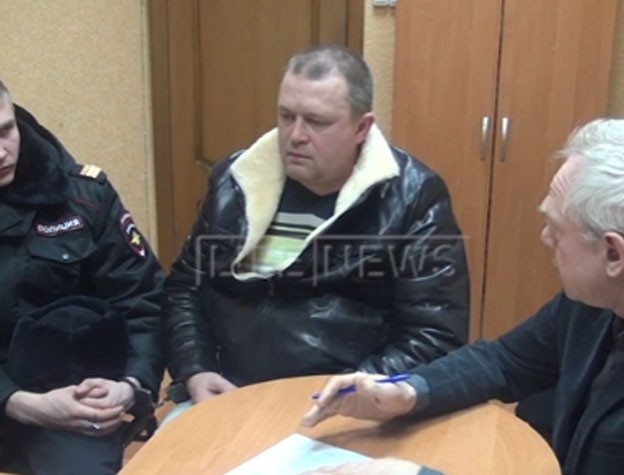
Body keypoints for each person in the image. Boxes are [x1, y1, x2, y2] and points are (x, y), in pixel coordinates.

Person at [301, 118, 624, 475]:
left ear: (613, 254)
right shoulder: (591, 303)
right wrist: (407, 393)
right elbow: (504, 361)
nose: (544, 238)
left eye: (556, 228)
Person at [162, 45, 469, 408]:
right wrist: (196, 369)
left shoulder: (413, 196)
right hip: (226, 392)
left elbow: (435, 334)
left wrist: (350, 395)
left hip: (345, 406)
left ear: (361, 128)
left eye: (317, 121)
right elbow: (186, 286)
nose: (295, 135)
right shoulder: (235, 181)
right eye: (286, 116)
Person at [0, 79, 165, 474]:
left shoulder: (84, 197)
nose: (1, 152)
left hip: (73, 394)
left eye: (5, 130)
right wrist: (16, 401)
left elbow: (144, 299)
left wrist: (131, 386)